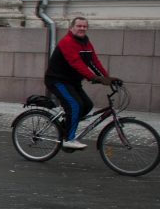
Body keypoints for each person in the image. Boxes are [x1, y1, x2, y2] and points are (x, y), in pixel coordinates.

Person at [44, 16, 119, 149]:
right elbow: (76, 63)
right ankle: (69, 139)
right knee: (75, 105)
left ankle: (66, 126)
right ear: (71, 28)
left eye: (84, 26)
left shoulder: (85, 42)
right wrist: (93, 77)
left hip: (73, 81)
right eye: (79, 26)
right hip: (57, 80)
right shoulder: (66, 42)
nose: (82, 28)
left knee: (87, 105)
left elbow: (93, 61)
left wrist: (108, 78)